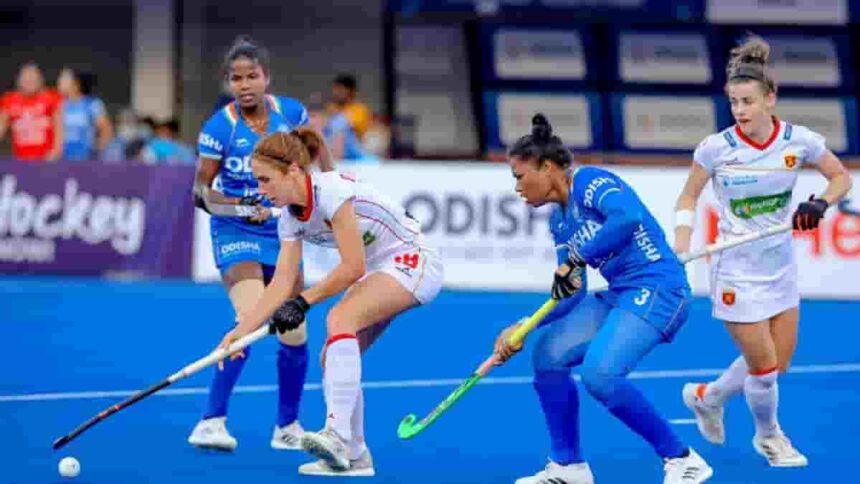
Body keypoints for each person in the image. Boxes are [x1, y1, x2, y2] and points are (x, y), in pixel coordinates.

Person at [493, 114, 713, 484]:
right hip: (620, 293)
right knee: (547, 356)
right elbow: (572, 290)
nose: (517, 187)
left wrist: (578, 258)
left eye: (519, 176)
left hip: (660, 289)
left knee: (600, 374)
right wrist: (524, 327)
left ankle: (682, 459)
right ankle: (568, 467)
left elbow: (626, 217)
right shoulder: (559, 222)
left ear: (547, 168)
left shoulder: (590, 181)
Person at [216, 129, 443, 477]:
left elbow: (352, 268)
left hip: (412, 258)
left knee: (340, 319)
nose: (261, 189)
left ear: (293, 170)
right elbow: (280, 285)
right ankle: (355, 456)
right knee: (333, 355)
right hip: (380, 268)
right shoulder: (289, 219)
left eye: (265, 180)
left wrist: (302, 302)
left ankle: (336, 436)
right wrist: (240, 332)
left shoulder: (331, 192)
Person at [675, 35, 852, 467]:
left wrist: (820, 203)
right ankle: (769, 437)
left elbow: (841, 178)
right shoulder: (716, 149)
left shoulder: (798, 141)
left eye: (748, 102)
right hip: (735, 271)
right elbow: (687, 197)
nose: (740, 110)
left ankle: (707, 397)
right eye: (734, 102)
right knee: (765, 369)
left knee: (778, 364)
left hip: (780, 266)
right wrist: (681, 243)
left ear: (770, 99)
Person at [187, 35, 311, 452]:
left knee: (294, 330)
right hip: (235, 232)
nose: (244, 85)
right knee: (251, 317)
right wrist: (241, 208)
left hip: (283, 231)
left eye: (252, 76)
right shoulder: (218, 128)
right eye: (236, 78)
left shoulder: (290, 113)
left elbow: (309, 165)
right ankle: (211, 421)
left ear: (266, 77)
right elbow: (200, 193)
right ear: (228, 82)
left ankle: (287, 427)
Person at [0, 62, 63, 162]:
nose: (29, 81)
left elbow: (60, 128)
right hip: (20, 159)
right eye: (26, 79)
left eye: (33, 79)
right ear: (19, 81)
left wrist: (56, 151)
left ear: (40, 81)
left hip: (47, 159)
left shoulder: (52, 98)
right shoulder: (9, 100)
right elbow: (1, 126)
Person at [57, 67, 112, 161]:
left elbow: (106, 130)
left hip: (85, 159)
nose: (59, 81)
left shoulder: (92, 104)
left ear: (76, 83)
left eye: (64, 78)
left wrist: (96, 151)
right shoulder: (60, 105)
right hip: (63, 159)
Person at [327, 74, 372, 141]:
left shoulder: (360, 110)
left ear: (351, 91)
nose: (335, 93)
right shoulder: (331, 108)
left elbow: (353, 130)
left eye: (340, 89)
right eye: (335, 89)